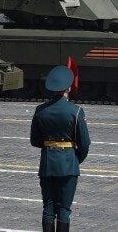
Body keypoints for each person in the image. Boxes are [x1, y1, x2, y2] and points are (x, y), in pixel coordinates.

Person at [30, 65, 90, 232]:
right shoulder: (76, 111)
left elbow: (34, 140)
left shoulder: (40, 111)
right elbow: (84, 143)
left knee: (48, 208)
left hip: (47, 164)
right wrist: (76, 158)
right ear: (68, 88)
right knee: (64, 209)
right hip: (69, 164)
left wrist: (50, 147)